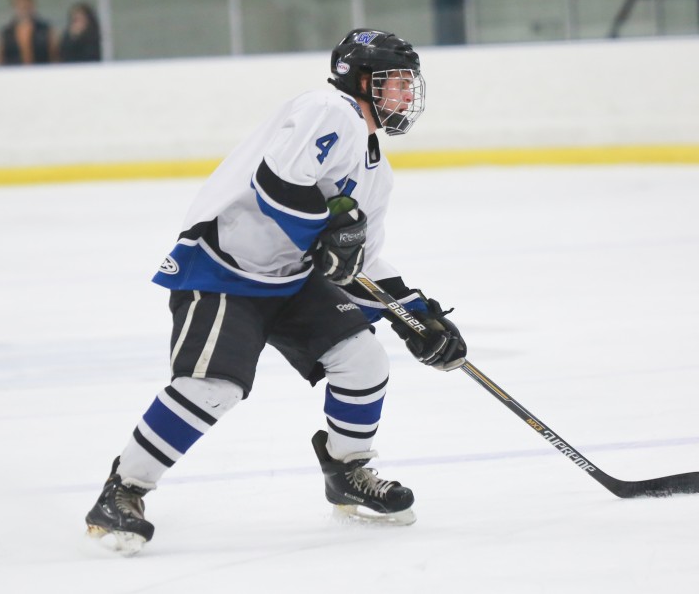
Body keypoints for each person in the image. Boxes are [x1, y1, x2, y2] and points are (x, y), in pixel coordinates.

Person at [84, 28, 467, 554]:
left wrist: (414, 315)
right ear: (358, 79)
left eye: (408, 84)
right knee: (213, 388)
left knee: (364, 362)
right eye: (393, 82)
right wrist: (329, 230)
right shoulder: (329, 109)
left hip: (289, 278)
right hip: (224, 265)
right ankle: (121, 491)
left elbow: (361, 262)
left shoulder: (377, 170)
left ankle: (347, 472)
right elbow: (277, 182)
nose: (405, 95)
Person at [0, 0, 57, 65]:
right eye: (20, 5)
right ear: (14, 7)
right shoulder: (7, 33)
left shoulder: (44, 30)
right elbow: (0, 59)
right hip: (14, 74)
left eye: (26, 5)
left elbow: (55, 56)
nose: (23, 9)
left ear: (32, 5)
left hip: (41, 72)